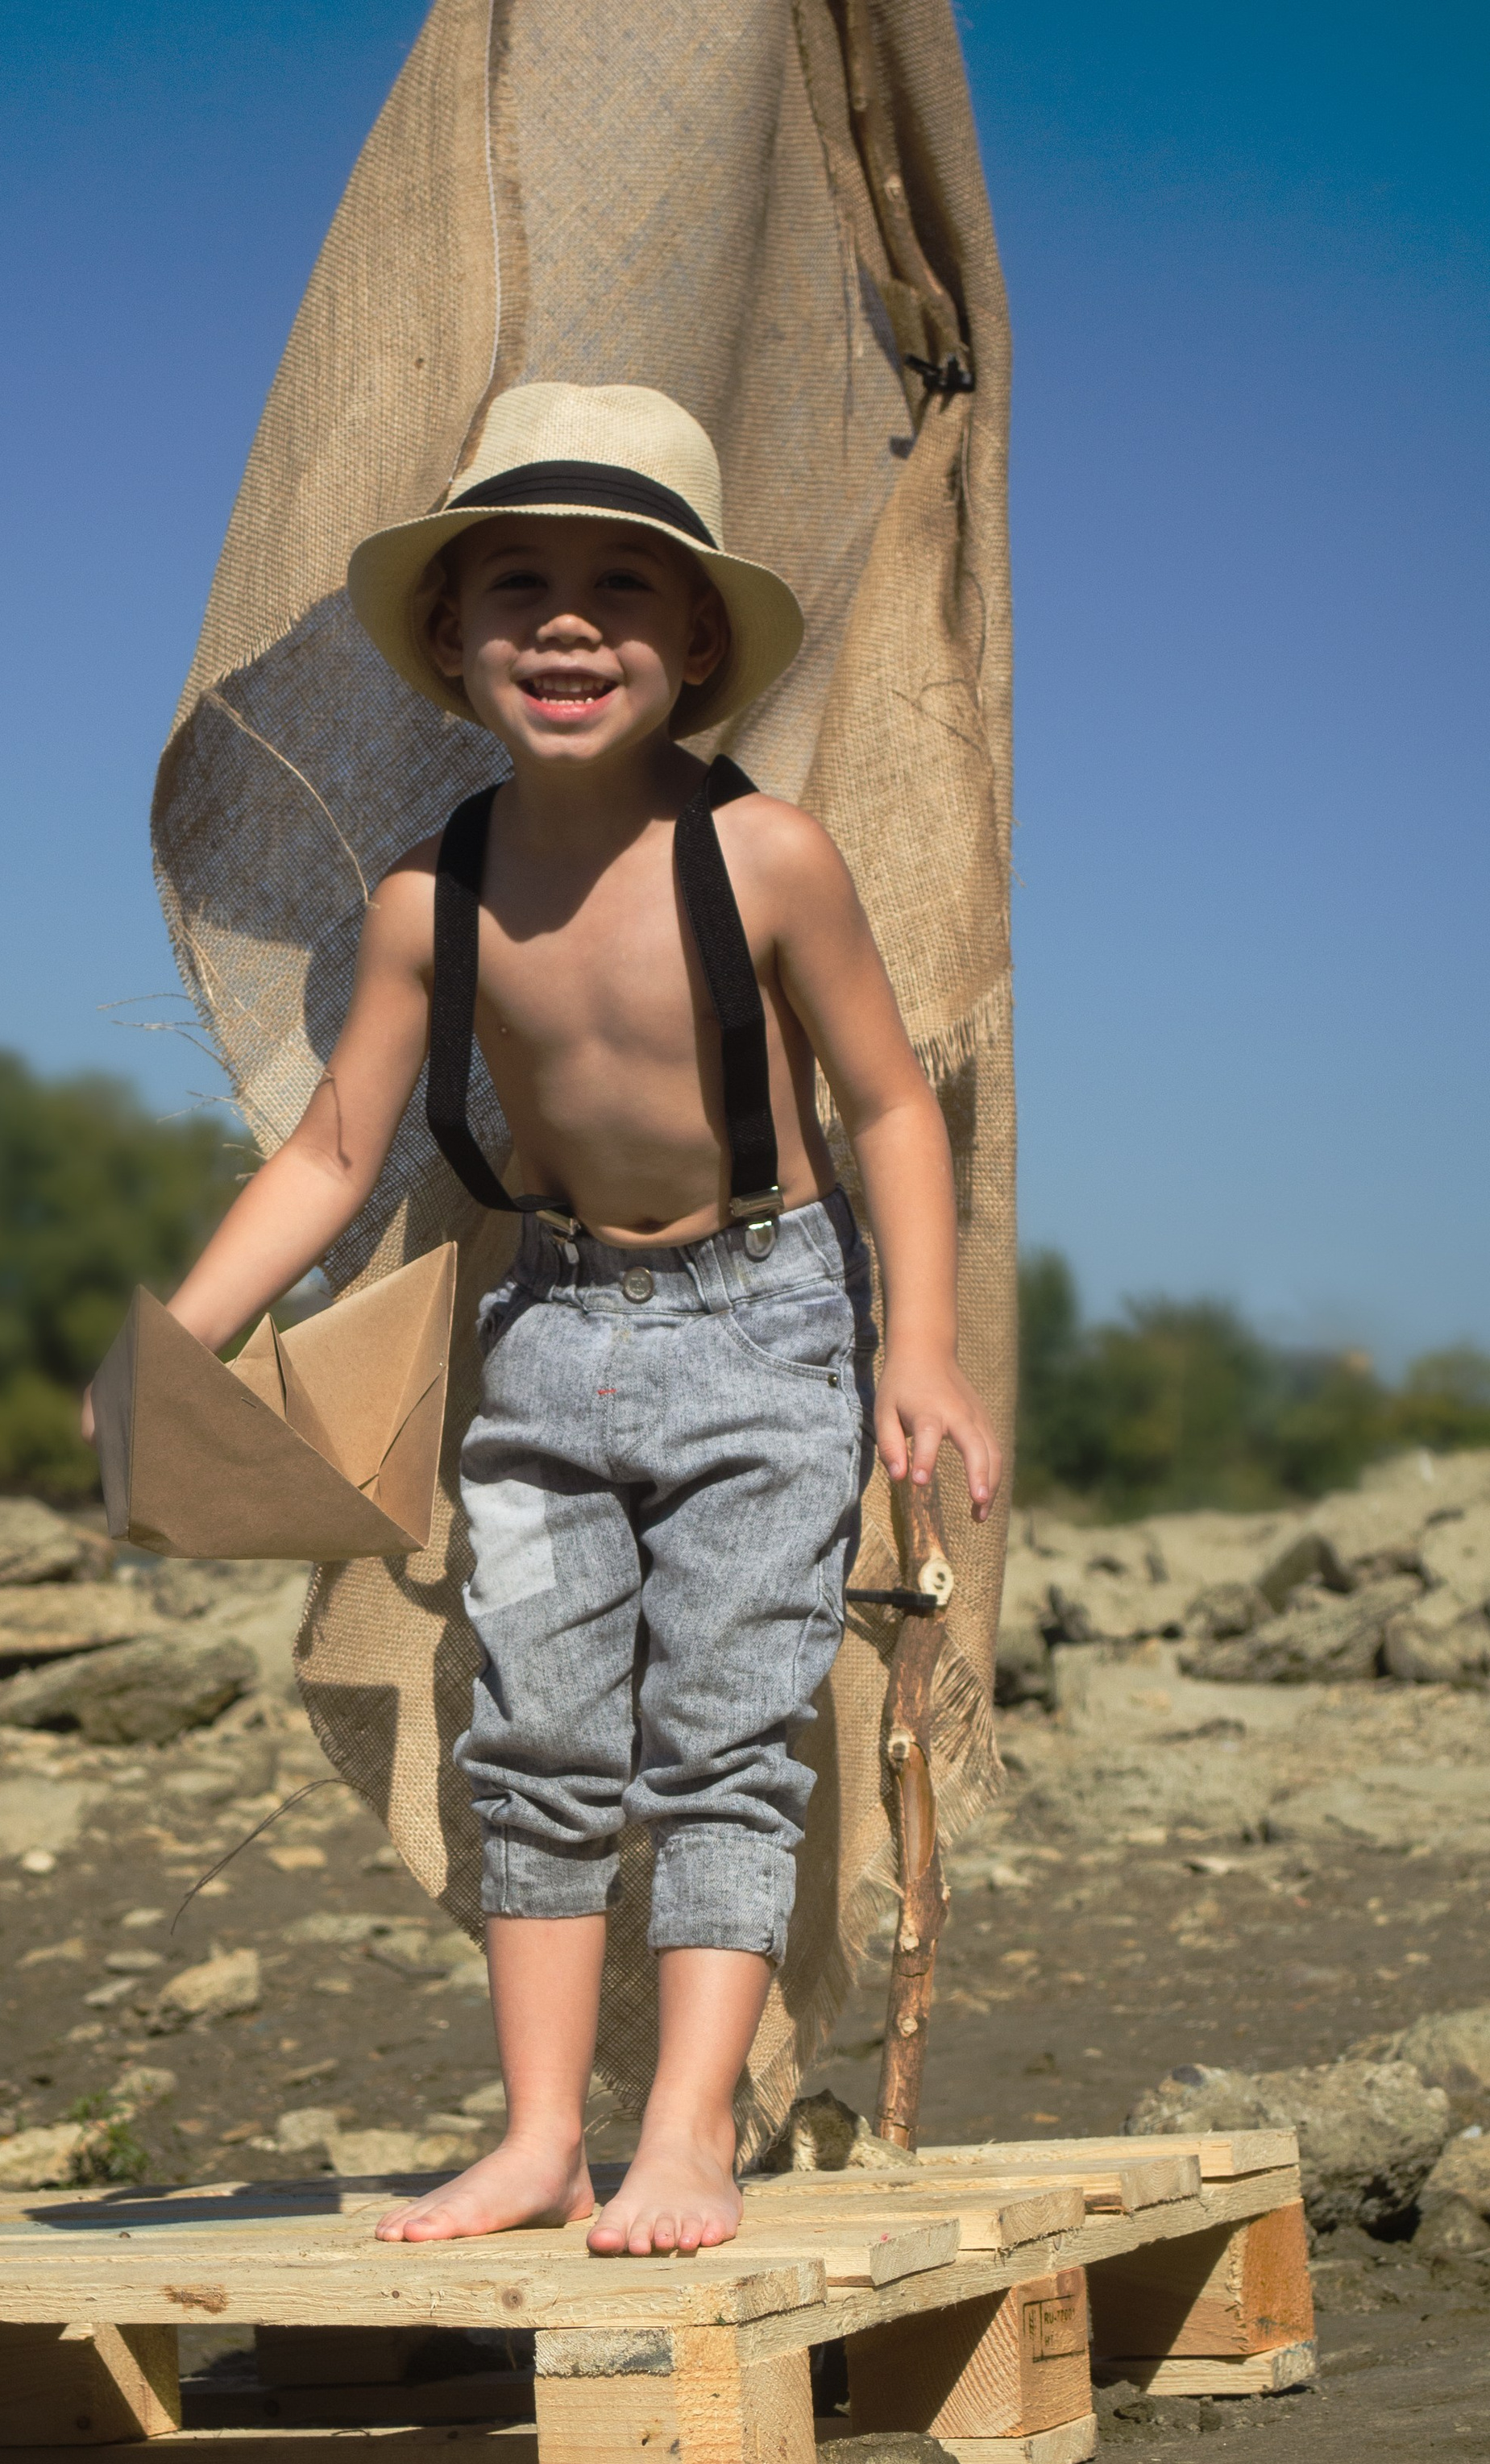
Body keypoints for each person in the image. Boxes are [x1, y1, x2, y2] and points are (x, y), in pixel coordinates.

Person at [86, 382, 998, 2258]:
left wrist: (917, 1346)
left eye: (618, 585)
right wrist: (172, 1342)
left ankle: (684, 2136)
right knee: (532, 1735)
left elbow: (891, 1103)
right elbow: (340, 1146)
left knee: (730, 1739)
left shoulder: (766, 860)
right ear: (447, 638)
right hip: (551, 1328)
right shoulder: (436, 890)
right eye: (516, 583)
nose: (566, 622)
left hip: (767, 1331)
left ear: (692, 642)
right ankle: (531, 2138)